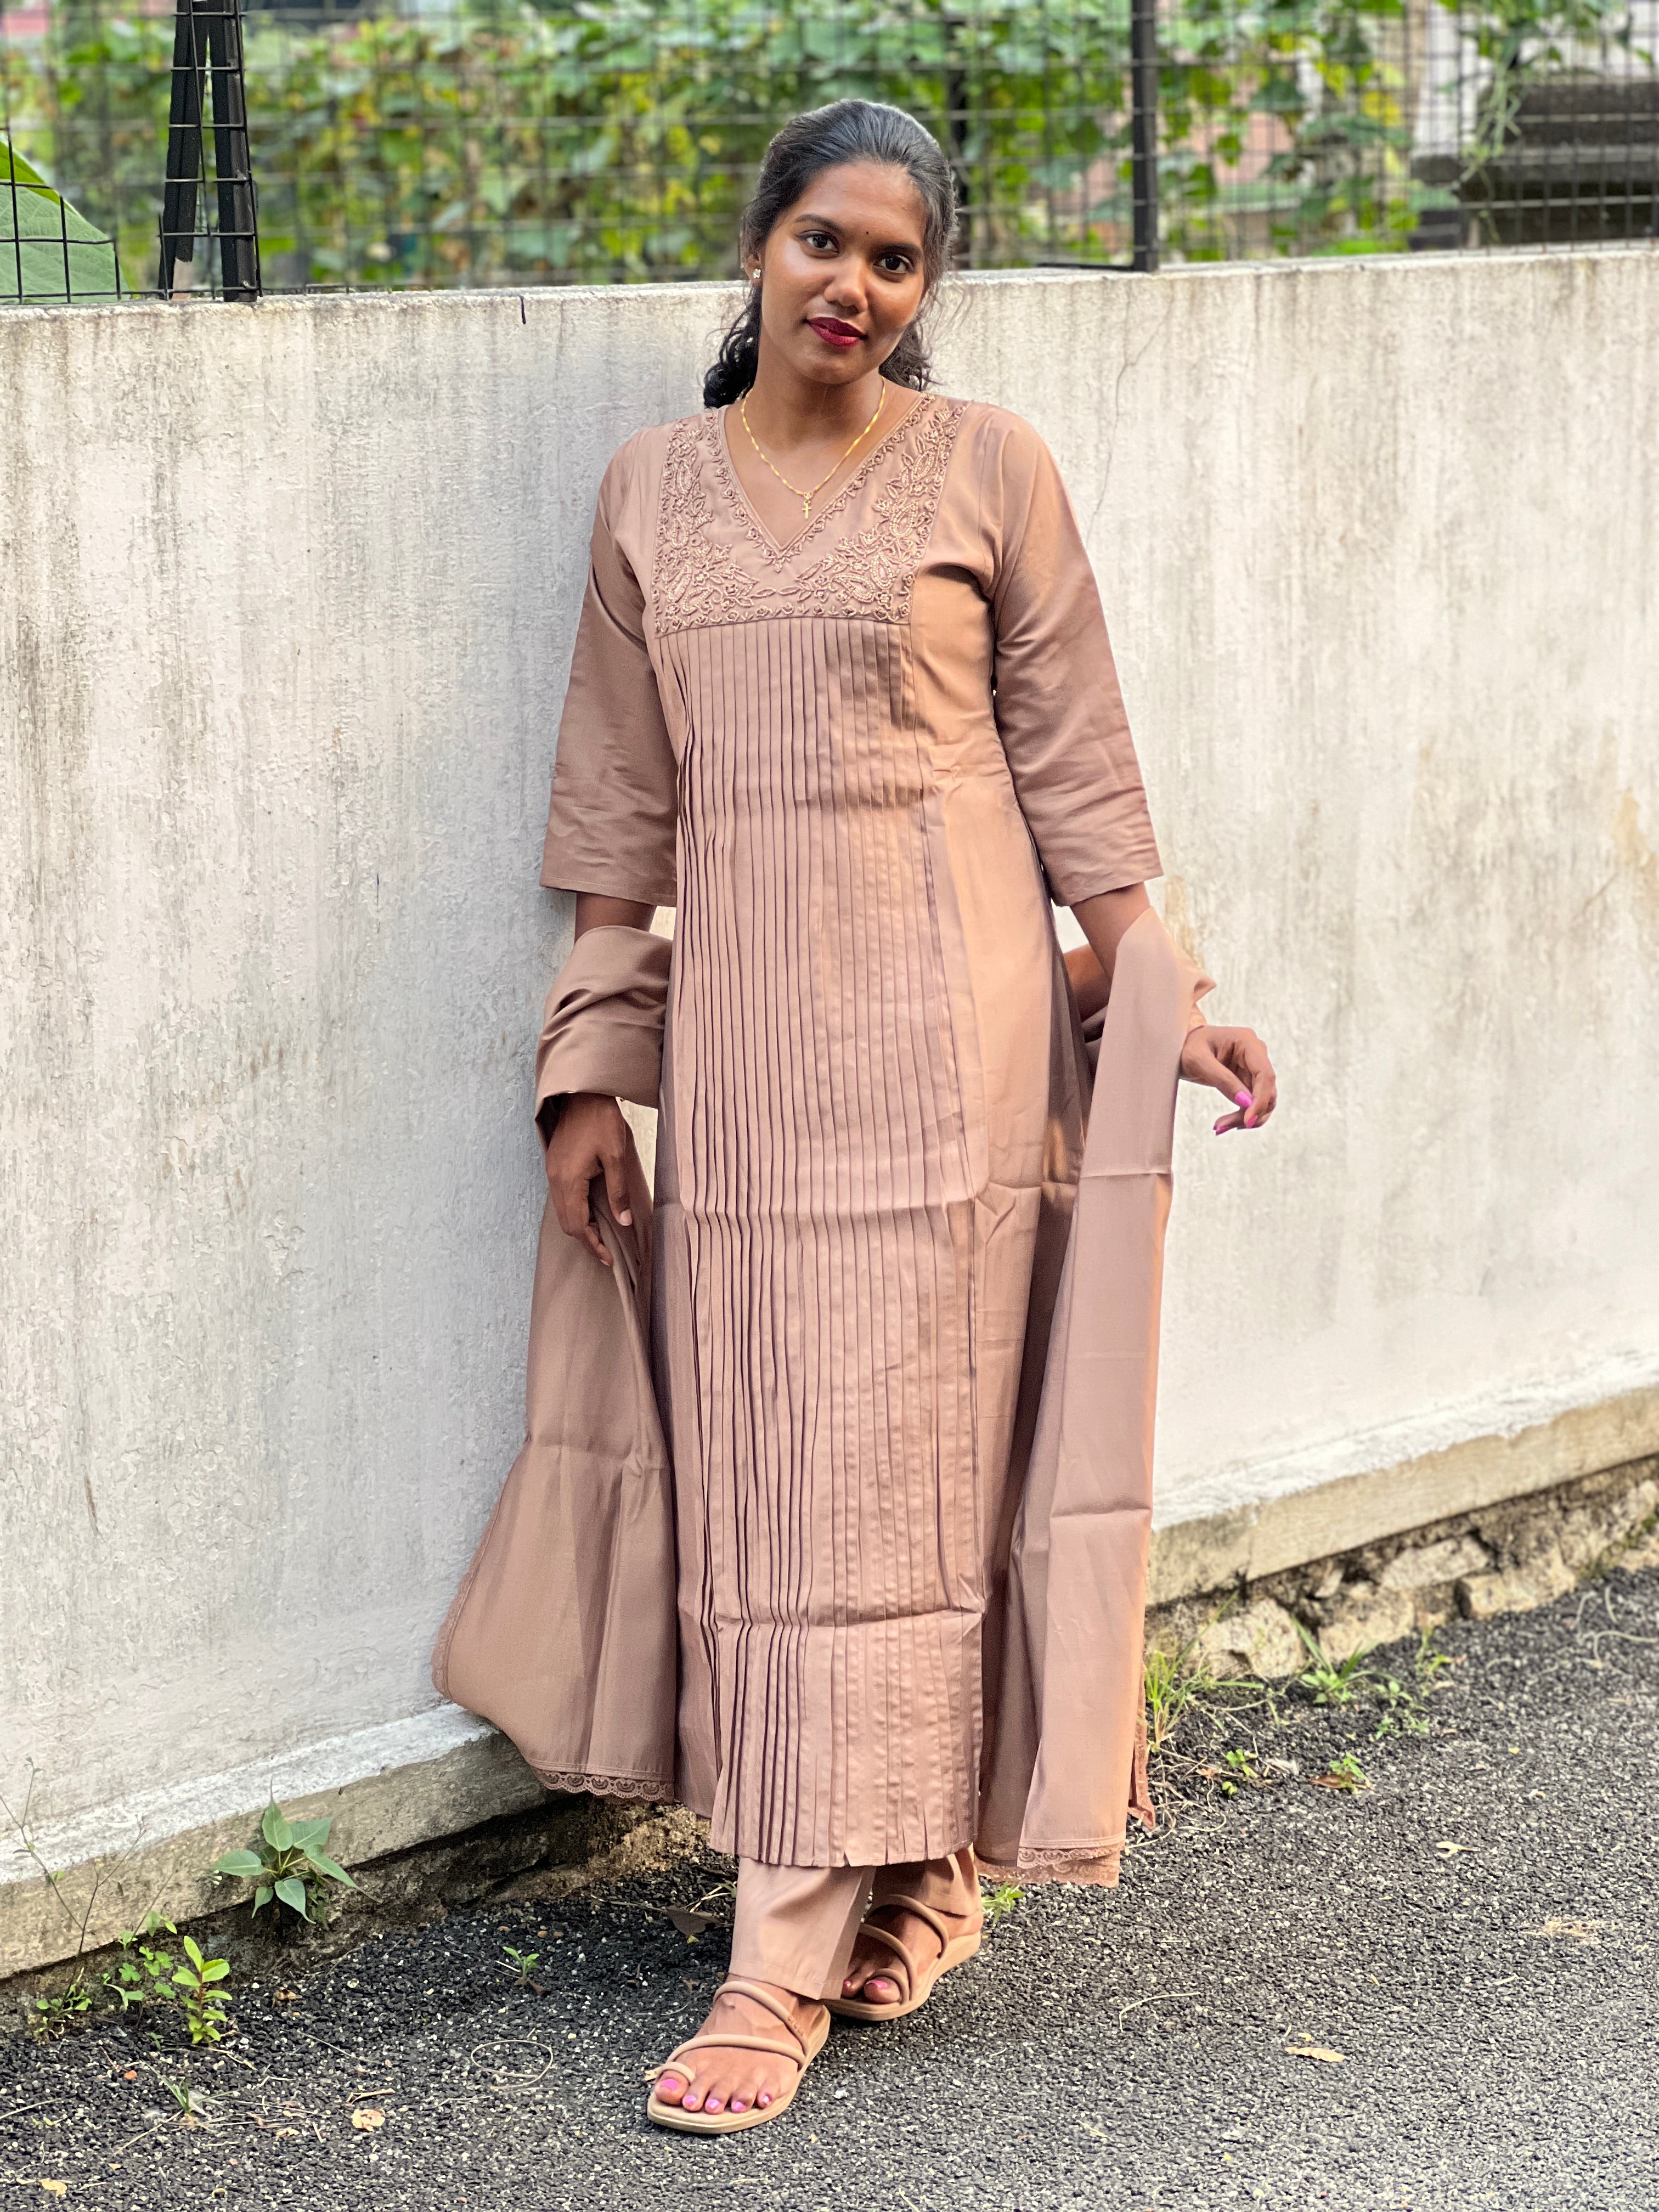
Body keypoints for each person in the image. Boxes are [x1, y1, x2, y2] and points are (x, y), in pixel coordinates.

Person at [475, 97, 1276, 2135]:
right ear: (760, 246)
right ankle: (905, 1874)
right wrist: (590, 1072)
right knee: (788, 1476)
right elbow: (619, 815)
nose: (853, 284)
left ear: (929, 291)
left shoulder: (991, 466)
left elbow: (1080, 772)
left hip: (959, 1052)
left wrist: (1168, 996)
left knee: (920, 1479)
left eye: (896, 260)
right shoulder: (651, 493)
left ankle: (788, 1947)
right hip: (750, 1073)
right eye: (824, 240)